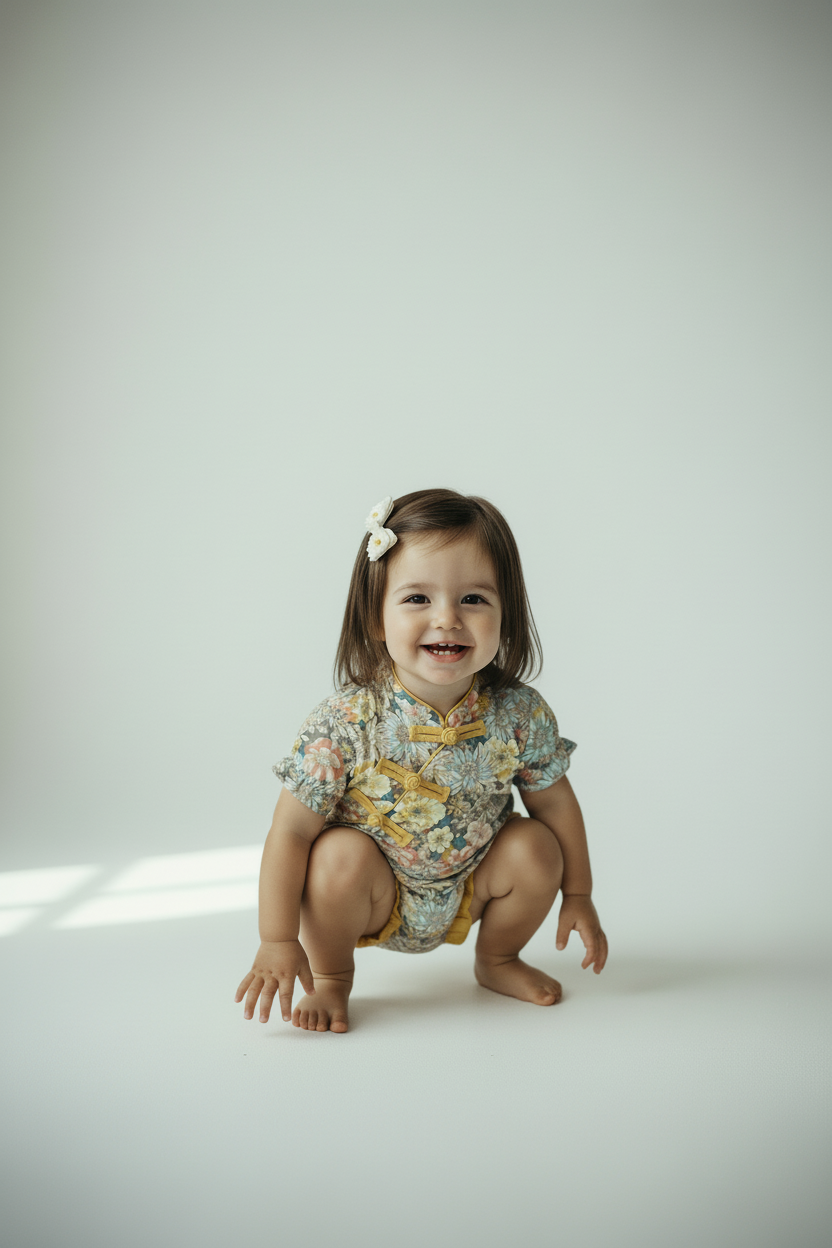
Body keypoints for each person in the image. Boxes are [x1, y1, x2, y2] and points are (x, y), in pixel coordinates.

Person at [235, 488, 608, 1033]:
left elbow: (555, 805)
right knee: (335, 853)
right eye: (417, 599)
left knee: (536, 845)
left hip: (472, 886)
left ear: (506, 613)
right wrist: (276, 939)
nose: (447, 619)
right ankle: (333, 977)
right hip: (371, 894)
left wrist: (578, 893)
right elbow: (290, 832)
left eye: (473, 599)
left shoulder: (518, 712)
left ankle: (498, 958)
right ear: (375, 618)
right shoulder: (345, 721)